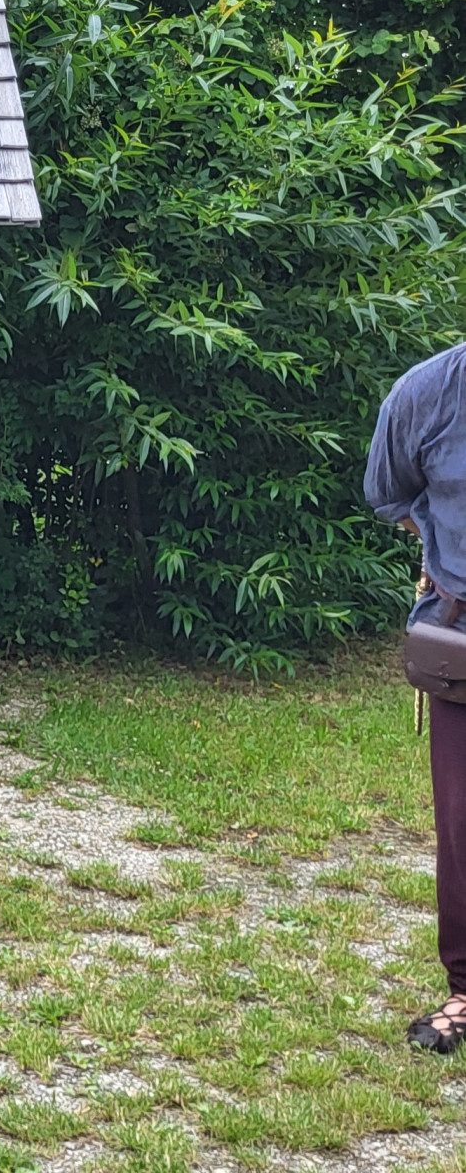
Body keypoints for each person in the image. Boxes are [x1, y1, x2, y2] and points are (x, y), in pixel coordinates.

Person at [366, 340, 466, 1054]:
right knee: (463, 825)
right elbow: (391, 492)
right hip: (464, 635)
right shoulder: (428, 392)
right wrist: (436, 556)